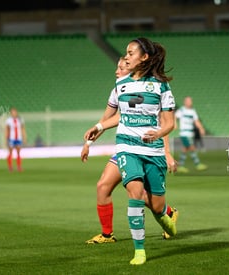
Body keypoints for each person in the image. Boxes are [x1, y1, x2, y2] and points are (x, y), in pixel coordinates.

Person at [85, 38, 177, 265]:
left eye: (130, 53)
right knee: (134, 194)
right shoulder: (120, 85)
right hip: (127, 148)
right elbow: (118, 116)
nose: (125, 58)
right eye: (125, 53)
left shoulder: (160, 86)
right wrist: (98, 128)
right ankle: (139, 251)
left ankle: (167, 217)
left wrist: (159, 136)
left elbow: (169, 123)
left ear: (144, 57)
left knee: (156, 205)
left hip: (152, 150)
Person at [175, 96, 207, 173]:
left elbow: (196, 121)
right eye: (188, 101)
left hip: (190, 133)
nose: (190, 102)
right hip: (184, 133)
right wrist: (175, 124)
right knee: (191, 148)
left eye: (190, 101)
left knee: (186, 149)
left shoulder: (192, 111)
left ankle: (180, 166)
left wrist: (201, 128)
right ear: (185, 102)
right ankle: (197, 164)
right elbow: (175, 117)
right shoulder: (182, 110)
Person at [5, 107, 27, 172]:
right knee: (10, 152)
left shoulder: (20, 119)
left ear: (16, 112)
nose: (14, 113)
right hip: (11, 138)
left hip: (18, 138)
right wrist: (6, 138)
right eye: (12, 112)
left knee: (18, 152)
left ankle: (19, 166)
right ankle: (10, 167)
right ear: (11, 113)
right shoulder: (8, 120)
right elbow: (7, 129)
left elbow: (23, 129)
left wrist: (24, 137)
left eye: (14, 112)